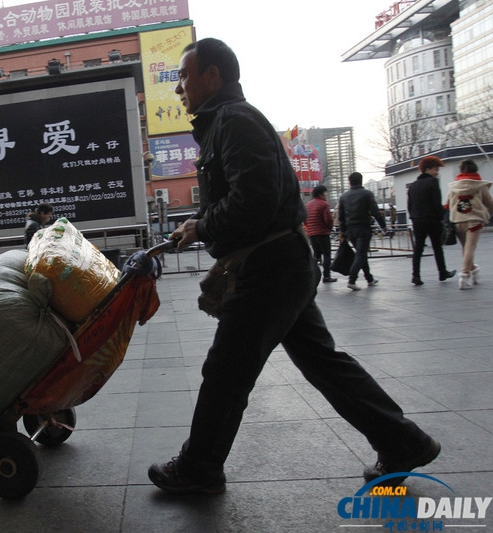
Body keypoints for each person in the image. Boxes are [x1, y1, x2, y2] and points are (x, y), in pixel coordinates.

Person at [148, 38, 439, 495]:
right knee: (323, 363)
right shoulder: (225, 123)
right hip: (281, 263)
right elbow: (244, 196)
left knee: (227, 370)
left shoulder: (234, 121)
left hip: (269, 268)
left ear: (212, 76)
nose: (178, 87)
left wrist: (202, 225)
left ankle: (198, 468)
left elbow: (254, 201)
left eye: (184, 75)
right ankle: (403, 442)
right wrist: (198, 224)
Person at [407, 156, 456, 286]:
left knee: (418, 249)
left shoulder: (413, 186)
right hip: (431, 220)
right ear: (428, 169)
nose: (437, 172)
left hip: (417, 220)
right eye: (436, 169)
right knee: (437, 247)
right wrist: (442, 218)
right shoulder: (433, 182)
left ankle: (415, 276)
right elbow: (436, 203)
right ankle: (442, 272)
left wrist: (413, 217)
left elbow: (410, 205)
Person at [446, 159, 493, 290]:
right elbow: (489, 203)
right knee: (470, 247)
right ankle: (465, 274)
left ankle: (473, 268)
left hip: (458, 220)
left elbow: (447, 204)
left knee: (465, 248)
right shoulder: (480, 186)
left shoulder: (454, 187)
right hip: (474, 220)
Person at [338, 172, 388, 291]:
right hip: (363, 227)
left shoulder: (343, 197)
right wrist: (383, 226)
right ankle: (352, 280)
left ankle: (369, 278)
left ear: (350, 182)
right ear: (361, 180)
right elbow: (375, 211)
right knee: (361, 254)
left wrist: (343, 232)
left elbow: (341, 216)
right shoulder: (367, 194)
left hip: (350, 229)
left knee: (361, 253)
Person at [305, 185, 336, 282]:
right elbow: (328, 219)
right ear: (321, 194)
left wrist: (310, 229)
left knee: (316, 255)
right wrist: (329, 228)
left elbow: (305, 220)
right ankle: (326, 276)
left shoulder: (308, 205)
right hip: (323, 233)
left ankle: (313, 275)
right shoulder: (324, 204)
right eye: (325, 193)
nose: (326, 195)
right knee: (326, 255)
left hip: (312, 234)